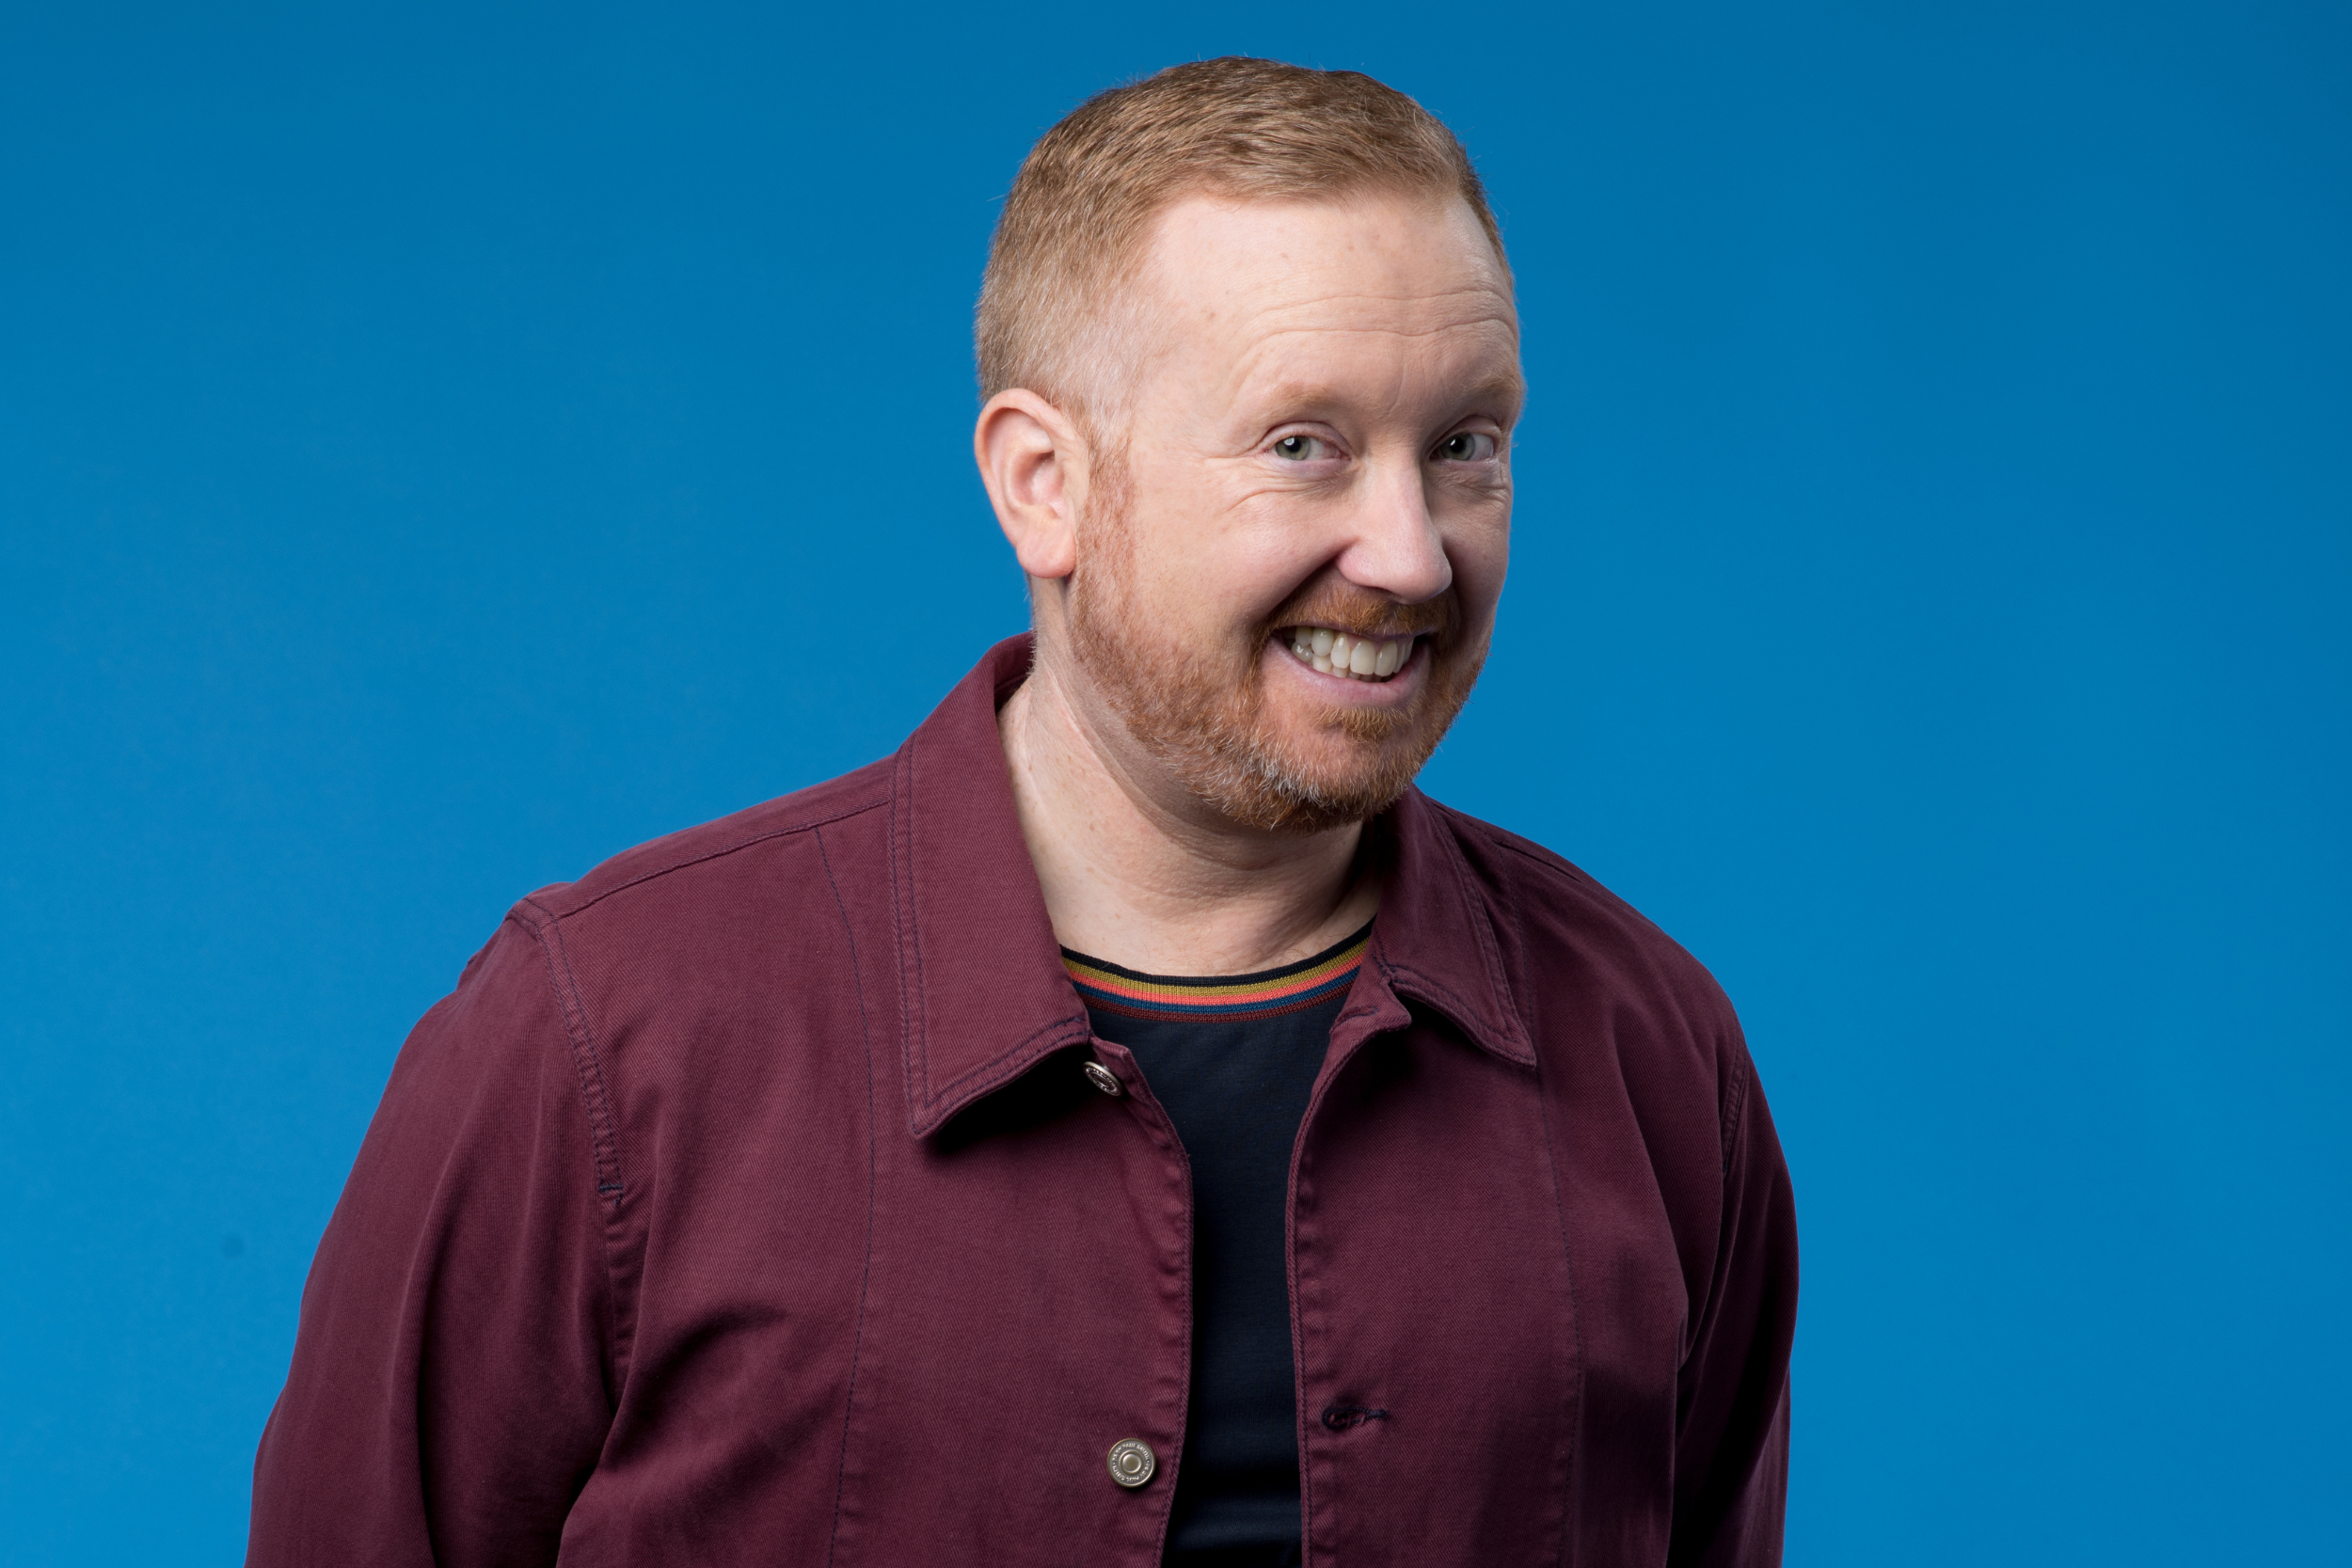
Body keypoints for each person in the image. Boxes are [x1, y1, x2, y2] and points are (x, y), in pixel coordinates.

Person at [247, 56, 1796, 1568]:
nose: (1410, 553)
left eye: (1465, 445)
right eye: (1301, 445)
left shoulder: (1651, 1053)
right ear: (1042, 483)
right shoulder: (602, 1048)